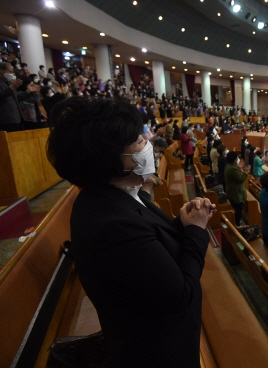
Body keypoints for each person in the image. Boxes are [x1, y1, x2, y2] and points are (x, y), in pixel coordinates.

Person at [46, 97, 216, 366]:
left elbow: (150, 246)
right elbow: (180, 295)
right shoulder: (112, 225)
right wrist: (196, 230)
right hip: (157, 352)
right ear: (112, 159)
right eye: (138, 140)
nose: (148, 143)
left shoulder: (114, 196)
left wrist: (181, 223)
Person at [225, 151, 249, 226]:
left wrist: (239, 167)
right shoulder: (233, 169)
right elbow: (240, 179)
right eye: (237, 158)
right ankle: (237, 224)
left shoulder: (229, 166)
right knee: (238, 210)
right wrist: (246, 172)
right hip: (236, 193)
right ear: (234, 159)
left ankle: (236, 223)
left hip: (232, 191)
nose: (238, 159)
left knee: (236, 208)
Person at [0, 62, 26, 131]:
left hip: (17, 118)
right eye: (10, 72)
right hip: (6, 121)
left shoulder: (9, 82)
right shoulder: (10, 85)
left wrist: (28, 92)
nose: (12, 74)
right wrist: (11, 88)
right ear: (1, 70)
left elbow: (16, 97)